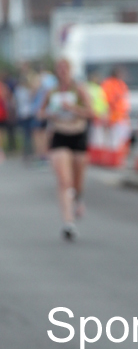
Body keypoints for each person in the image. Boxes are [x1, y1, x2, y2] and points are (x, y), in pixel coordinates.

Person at [39, 58, 93, 240]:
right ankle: (68, 223)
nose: (62, 71)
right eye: (59, 68)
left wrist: (73, 108)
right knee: (64, 181)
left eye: (65, 68)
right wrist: (50, 113)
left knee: (76, 183)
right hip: (59, 134)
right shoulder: (51, 91)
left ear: (70, 70)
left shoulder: (79, 89)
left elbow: (92, 112)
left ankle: (78, 198)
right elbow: (39, 112)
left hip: (77, 135)